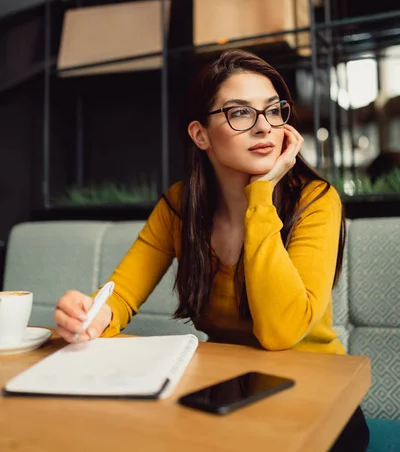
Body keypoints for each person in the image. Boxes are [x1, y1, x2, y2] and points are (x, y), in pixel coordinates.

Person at [54, 49, 369, 451]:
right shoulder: (179, 205)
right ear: (200, 134)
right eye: (240, 113)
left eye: (274, 111)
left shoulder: (315, 200)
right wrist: (89, 317)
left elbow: (281, 333)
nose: (264, 128)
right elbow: (121, 297)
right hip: (227, 391)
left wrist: (261, 194)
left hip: (318, 395)